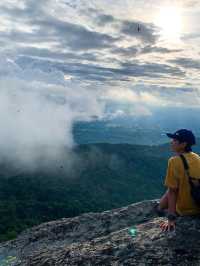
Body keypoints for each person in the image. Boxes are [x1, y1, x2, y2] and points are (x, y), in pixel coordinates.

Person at [156, 129, 200, 232]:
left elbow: (173, 191)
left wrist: (171, 218)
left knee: (171, 188)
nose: (171, 142)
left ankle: (159, 209)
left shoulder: (174, 161)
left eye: (175, 140)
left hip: (186, 210)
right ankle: (159, 208)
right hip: (198, 204)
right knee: (174, 185)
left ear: (183, 144)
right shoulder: (197, 157)